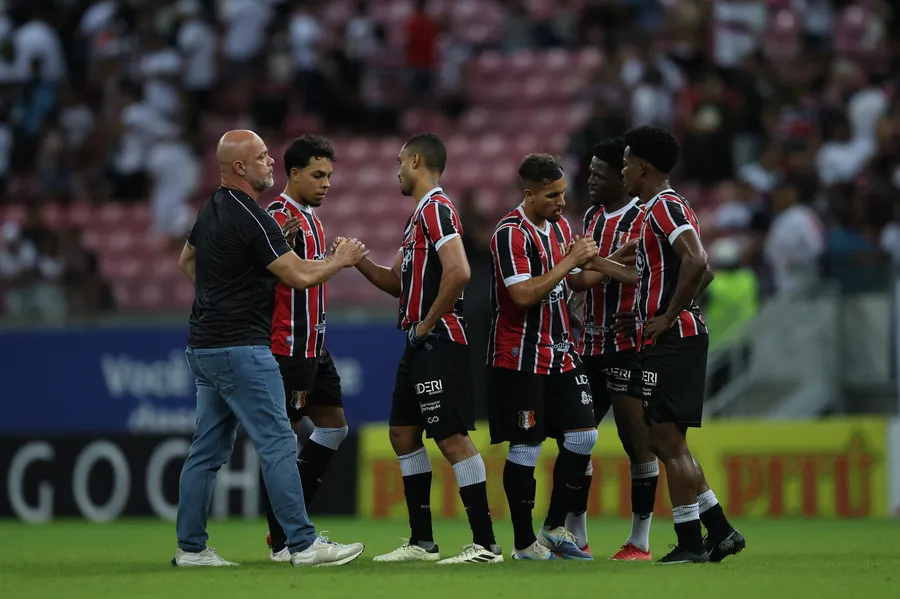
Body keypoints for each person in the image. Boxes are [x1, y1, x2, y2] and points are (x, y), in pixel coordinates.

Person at [173, 129, 367, 568]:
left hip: (203, 345)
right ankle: (300, 544)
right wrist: (340, 260)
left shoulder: (211, 208)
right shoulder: (254, 217)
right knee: (279, 440)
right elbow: (298, 276)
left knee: (206, 450)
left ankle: (191, 549)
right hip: (241, 345)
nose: (270, 163)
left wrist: (219, 298)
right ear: (240, 167)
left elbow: (187, 261)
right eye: (262, 157)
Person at [586, 125, 745, 564]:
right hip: (667, 335)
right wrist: (635, 305)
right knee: (666, 440)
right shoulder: (662, 208)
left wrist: (668, 315)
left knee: (665, 440)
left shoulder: (664, 207)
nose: (622, 171)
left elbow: (699, 261)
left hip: (675, 338)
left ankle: (691, 542)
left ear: (641, 166)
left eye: (625, 164)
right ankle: (719, 530)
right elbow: (670, 274)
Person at [350, 133, 502, 565]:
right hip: (418, 341)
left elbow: (460, 271)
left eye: (400, 161)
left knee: (452, 439)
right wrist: (357, 261)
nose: (396, 170)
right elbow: (397, 282)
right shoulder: (418, 216)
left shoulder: (437, 208)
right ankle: (422, 542)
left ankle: (486, 545)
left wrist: (427, 323)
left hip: (438, 339)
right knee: (402, 434)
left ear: (416, 161)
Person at [487, 153, 599, 561]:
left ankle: (553, 528)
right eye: (552, 195)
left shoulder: (559, 228)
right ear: (529, 194)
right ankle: (524, 545)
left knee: (584, 436)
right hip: (520, 355)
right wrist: (570, 260)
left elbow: (575, 281)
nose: (561, 202)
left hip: (561, 351)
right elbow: (522, 296)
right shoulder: (509, 233)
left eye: (563, 193)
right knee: (527, 447)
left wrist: (618, 262)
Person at [255, 135, 350, 562]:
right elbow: (275, 276)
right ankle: (284, 540)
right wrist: (337, 261)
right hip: (288, 346)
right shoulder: (277, 218)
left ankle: (291, 524)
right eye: (317, 175)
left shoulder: (310, 217)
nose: (326, 183)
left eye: (329, 175)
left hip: (315, 345)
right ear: (293, 174)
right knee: (284, 442)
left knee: (334, 427)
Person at [567, 137, 657, 561]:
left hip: (627, 345)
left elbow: (643, 274)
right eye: (589, 173)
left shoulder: (643, 216)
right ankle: (576, 537)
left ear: (621, 179)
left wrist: (597, 263)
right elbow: (583, 275)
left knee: (634, 440)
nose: (590, 181)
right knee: (577, 437)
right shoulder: (592, 216)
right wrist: (600, 267)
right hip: (589, 343)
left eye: (598, 175)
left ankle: (640, 541)